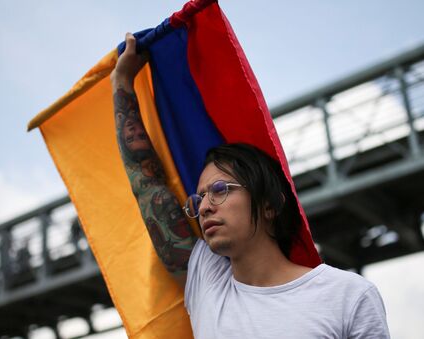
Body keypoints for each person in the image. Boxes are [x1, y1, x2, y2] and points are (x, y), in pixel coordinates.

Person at [111, 33, 390, 338]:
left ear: (270, 204)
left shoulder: (348, 296)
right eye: (199, 198)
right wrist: (121, 83)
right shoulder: (207, 280)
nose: (204, 207)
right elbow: (147, 182)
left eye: (219, 190)